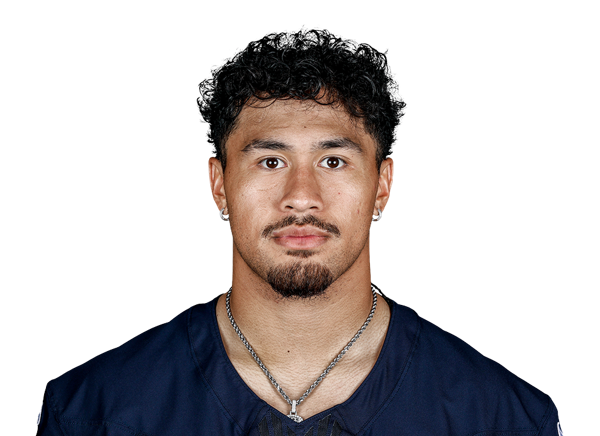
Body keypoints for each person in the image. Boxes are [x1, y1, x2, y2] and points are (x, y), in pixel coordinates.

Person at [37, 27, 562, 436]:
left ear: (382, 186)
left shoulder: (502, 417)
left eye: (333, 161)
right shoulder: (93, 411)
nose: (302, 195)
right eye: (270, 161)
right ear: (219, 186)